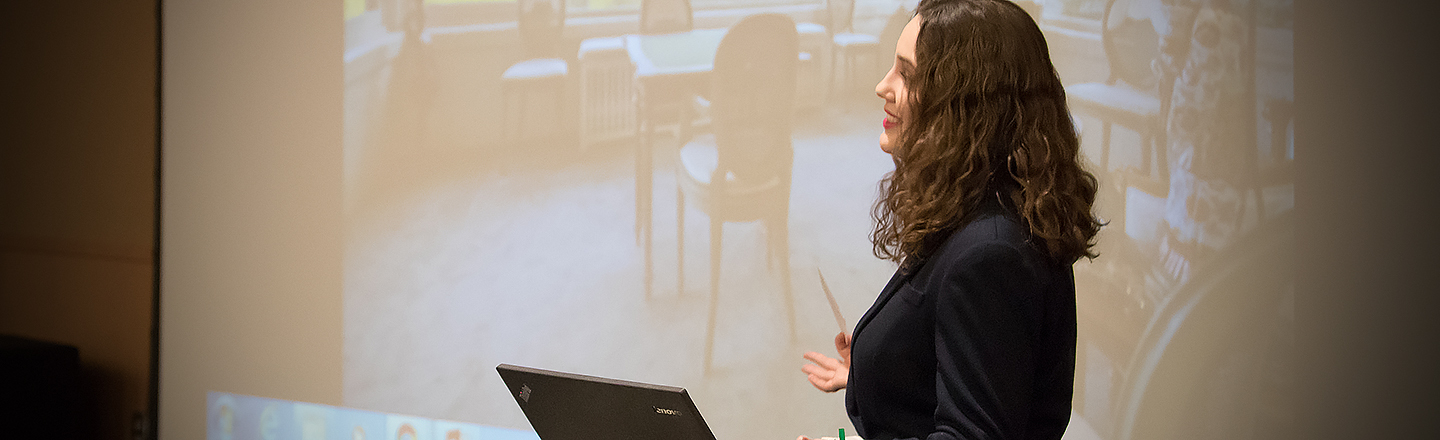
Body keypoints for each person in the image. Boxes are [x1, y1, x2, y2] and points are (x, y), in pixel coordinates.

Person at [799, 1, 1101, 439]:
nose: (883, 86)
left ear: (966, 102)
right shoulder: (979, 206)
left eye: (908, 74)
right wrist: (878, 373)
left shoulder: (991, 255)